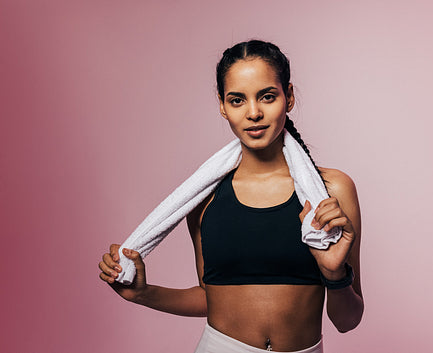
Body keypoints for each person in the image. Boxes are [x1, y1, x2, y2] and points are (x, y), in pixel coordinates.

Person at [98, 40, 363, 353]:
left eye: (267, 96)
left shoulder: (330, 192)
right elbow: (210, 297)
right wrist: (144, 294)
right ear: (222, 105)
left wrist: (335, 274)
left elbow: (347, 320)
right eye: (237, 100)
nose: (253, 113)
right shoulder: (204, 199)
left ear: (288, 97)